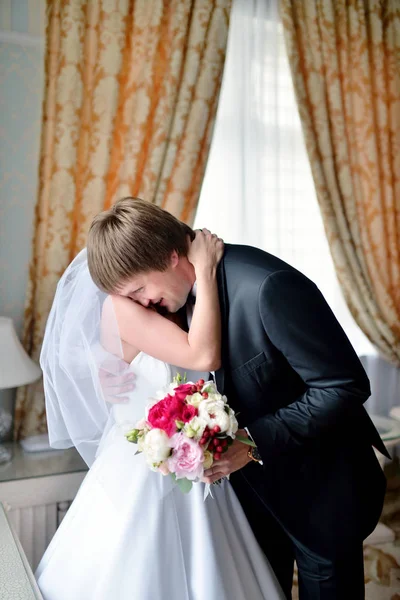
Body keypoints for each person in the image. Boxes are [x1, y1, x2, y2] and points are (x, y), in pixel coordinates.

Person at [86, 197, 389, 600]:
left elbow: (343, 386)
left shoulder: (266, 286)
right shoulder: (173, 302)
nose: (142, 305)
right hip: (243, 502)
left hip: (320, 490)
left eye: (140, 289)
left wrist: (250, 441)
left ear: (171, 255)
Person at [35, 226, 285, 600]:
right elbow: (202, 356)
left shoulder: (182, 302)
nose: (141, 299)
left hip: (198, 468)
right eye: (129, 292)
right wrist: (206, 268)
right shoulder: (120, 307)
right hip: (142, 471)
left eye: (137, 288)